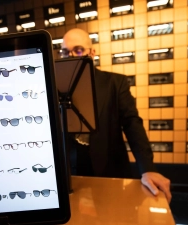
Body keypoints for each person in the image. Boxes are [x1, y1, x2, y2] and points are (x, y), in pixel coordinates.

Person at [60, 28, 172, 203]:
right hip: (70, 172)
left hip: (109, 169)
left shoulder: (115, 83)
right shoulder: (56, 86)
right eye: (65, 52)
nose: (71, 56)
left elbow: (132, 123)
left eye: (78, 50)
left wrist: (147, 168)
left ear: (92, 53)